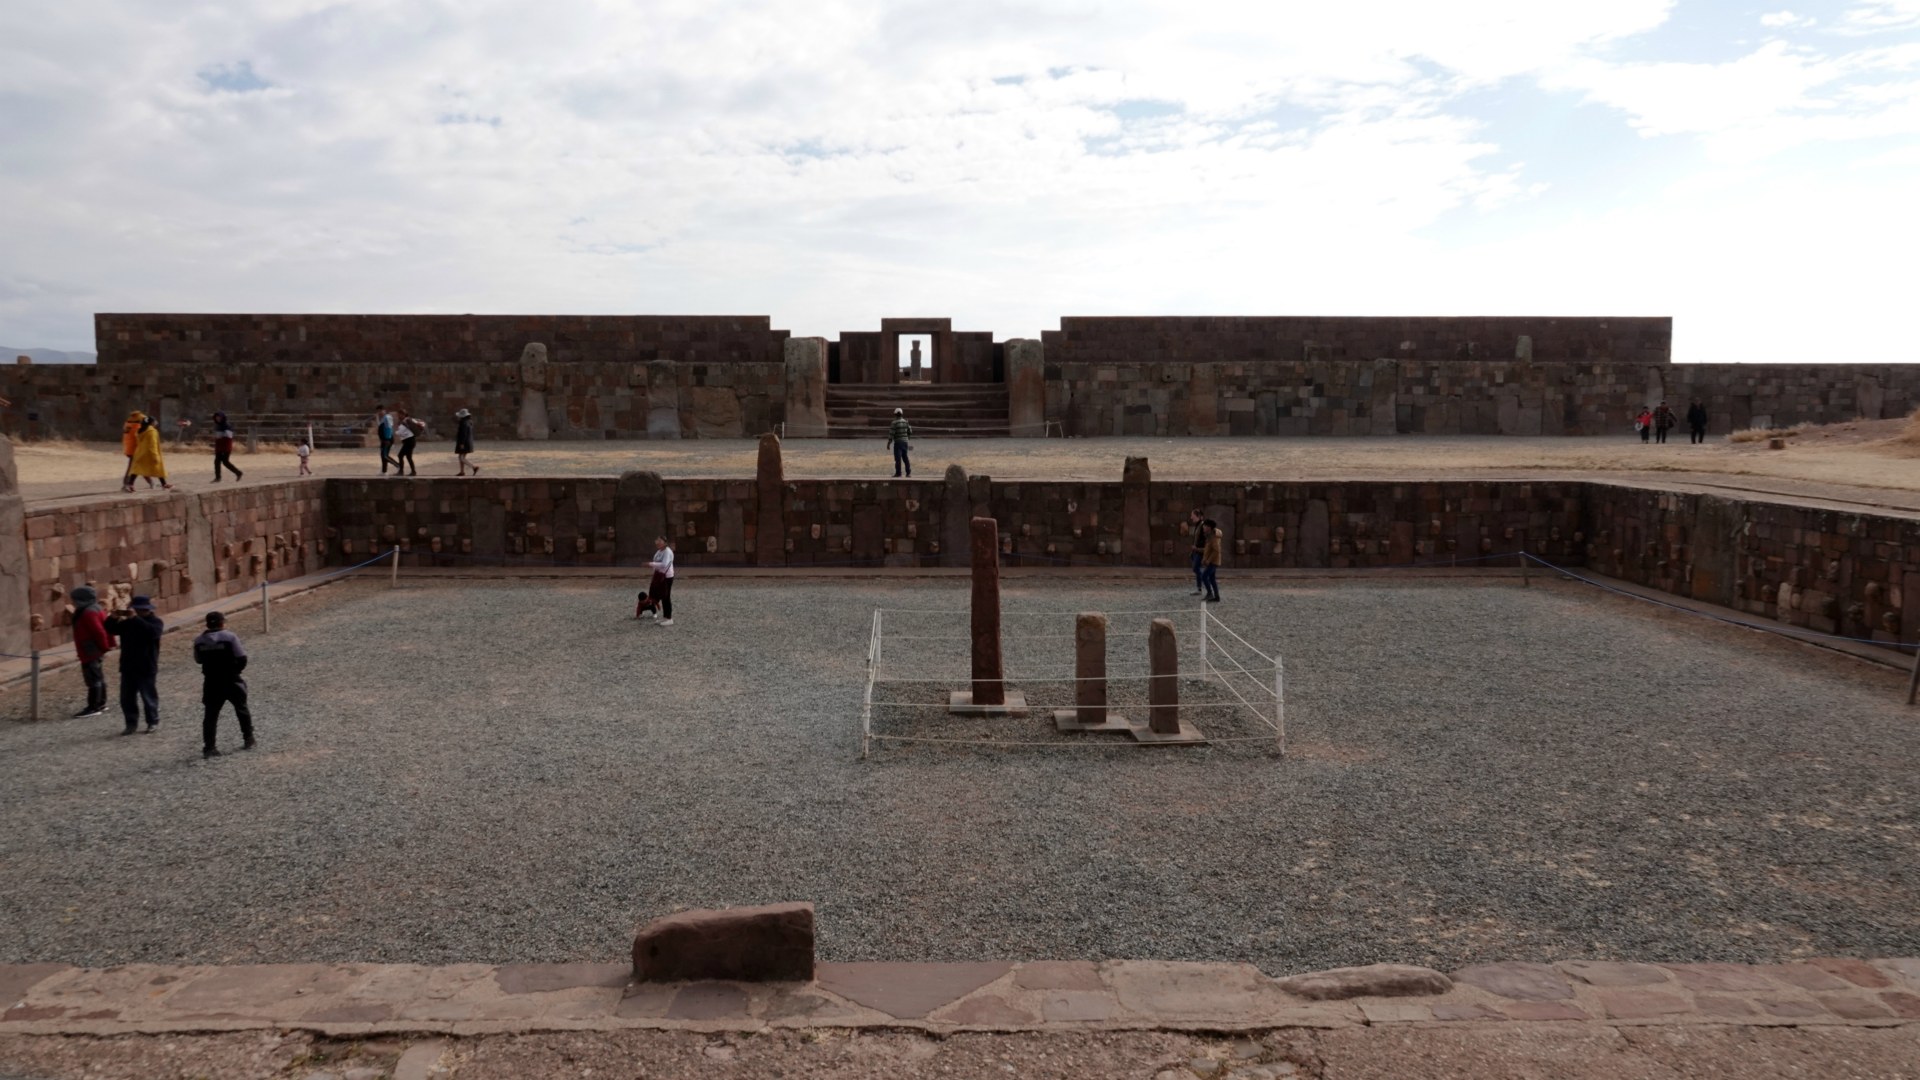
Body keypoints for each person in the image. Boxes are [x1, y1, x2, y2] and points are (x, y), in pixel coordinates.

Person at [193, 611, 255, 759]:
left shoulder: (199, 641)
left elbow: (198, 660)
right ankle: (248, 739)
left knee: (210, 715)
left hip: (211, 682)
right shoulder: (230, 637)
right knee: (241, 709)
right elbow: (242, 658)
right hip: (231, 679)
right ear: (222, 623)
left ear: (207, 624)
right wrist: (236, 671)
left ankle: (209, 747)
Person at [105, 595, 163, 734]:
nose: (140, 612)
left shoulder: (155, 622)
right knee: (127, 698)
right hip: (128, 665)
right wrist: (112, 618)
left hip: (146, 665)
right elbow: (112, 629)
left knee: (148, 696)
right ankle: (131, 723)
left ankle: (152, 721)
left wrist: (135, 619)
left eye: (142, 610)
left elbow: (152, 633)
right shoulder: (128, 623)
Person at [69, 584, 114, 719]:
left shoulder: (89, 612)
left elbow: (99, 631)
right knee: (98, 676)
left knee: (93, 678)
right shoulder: (95, 609)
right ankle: (101, 703)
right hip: (93, 649)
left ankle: (94, 706)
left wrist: (104, 646)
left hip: (91, 650)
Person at [128, 415, 174, 490]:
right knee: (158, 468)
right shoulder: (152, 431)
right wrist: (155, 455)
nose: (156, 422)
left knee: (137, 469)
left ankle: (130, 484)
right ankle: (164, 484)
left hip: (140, 452)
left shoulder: (140, 431)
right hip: (149, 454)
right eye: (155, 421)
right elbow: (153, 444)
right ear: (152, 423)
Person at [648, 536, 676, 626]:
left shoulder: (667, 551)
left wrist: (651, 564)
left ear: (665, 542)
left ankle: (669, 618)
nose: (657, 542)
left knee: (666, 597)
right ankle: (665, 617)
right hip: (660, 576)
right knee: (663, 596)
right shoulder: (659, 551)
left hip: (667, 577)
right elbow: (656, 562)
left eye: (660, 541)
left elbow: (664, 564)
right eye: (656, 540)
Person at [210, 411, 243, 482]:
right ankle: (218, 478)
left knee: (225, 462)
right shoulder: (217, 426)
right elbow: (218, 436)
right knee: (217, 462)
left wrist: (219, 439)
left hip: (225, 447)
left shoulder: (227, 426)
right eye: (216, 417)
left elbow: (228, 438)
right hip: (219, 447)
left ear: (222, 417)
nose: (218, 418)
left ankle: (238, 473)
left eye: (219, 417)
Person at [120, 410, 145, 492]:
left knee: (138, 466)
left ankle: (151, 482)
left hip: (128, 448)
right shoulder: (137, 427)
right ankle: (126, 484)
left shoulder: (127, 425)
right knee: (133, 467)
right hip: (134, 449)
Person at [392, 410, 420, 476]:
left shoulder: (405, 422)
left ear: (403, 415)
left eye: (399, 415)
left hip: (409, 442)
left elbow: (399, 432)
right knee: (408, 457)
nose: (398, 416)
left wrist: (395, 430)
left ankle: (401, 472)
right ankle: (413, 472)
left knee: (400, 455)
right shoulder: (407, 421)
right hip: (410, 441)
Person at [1200, 519, 1222, 603]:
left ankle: (1210, 593)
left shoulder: (1214, 537)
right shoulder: (1210, 536)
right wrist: (1204, 558)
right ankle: (1216, 596)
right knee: (1212, 578)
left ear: (1209, 527)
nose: (1203, 527)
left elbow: (1216, 551)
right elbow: (1208, 549)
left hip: (1213, 561)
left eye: (1205, 526)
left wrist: (1208, 560)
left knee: (1204, 576)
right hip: (1212, 561)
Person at [887, 408, 913, 478]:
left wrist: (889, 443)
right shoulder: (906, 422)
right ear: (902, 414)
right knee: (905, 458)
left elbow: (891, 434)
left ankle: (898, 473)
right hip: (905, 442)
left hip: (898, 443)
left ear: (895, 414)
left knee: (898, 458)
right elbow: (910, 432)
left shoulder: (894, 423)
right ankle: (908, 473)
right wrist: (908, 438)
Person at [454, 408, 480, 475]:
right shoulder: (469, 422)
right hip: (467, 442)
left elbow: (463, 433)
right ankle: (462, 471)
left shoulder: (464, 423)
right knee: (461, 457)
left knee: (461, 457)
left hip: (464, 443)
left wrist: (462, 443)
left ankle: (474, 467)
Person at [1188, 507, 1207, 596]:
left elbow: (1205, 540)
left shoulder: (1202, 526)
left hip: (1200, 551)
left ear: (1198, 516)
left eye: (1193, 516)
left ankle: (1202, 585)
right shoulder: (1198, 525)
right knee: (1196, 568)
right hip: (1196, 551)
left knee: (1196, 568)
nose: (1191, 517)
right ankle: (1200, 586)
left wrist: (1197, 548)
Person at [375, 405, 395, 474]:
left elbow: (389, 428)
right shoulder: (383, 418)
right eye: (378, 411)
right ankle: (384, 471)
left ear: (384, 410)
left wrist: (387, 439)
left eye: (380, 411)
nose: (379, 413)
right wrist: (377, 417)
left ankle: (398, 465)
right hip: (384, 440)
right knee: (383, 455)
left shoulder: (387, 417)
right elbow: (379, 426)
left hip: (387, 440)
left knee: (385, 455)